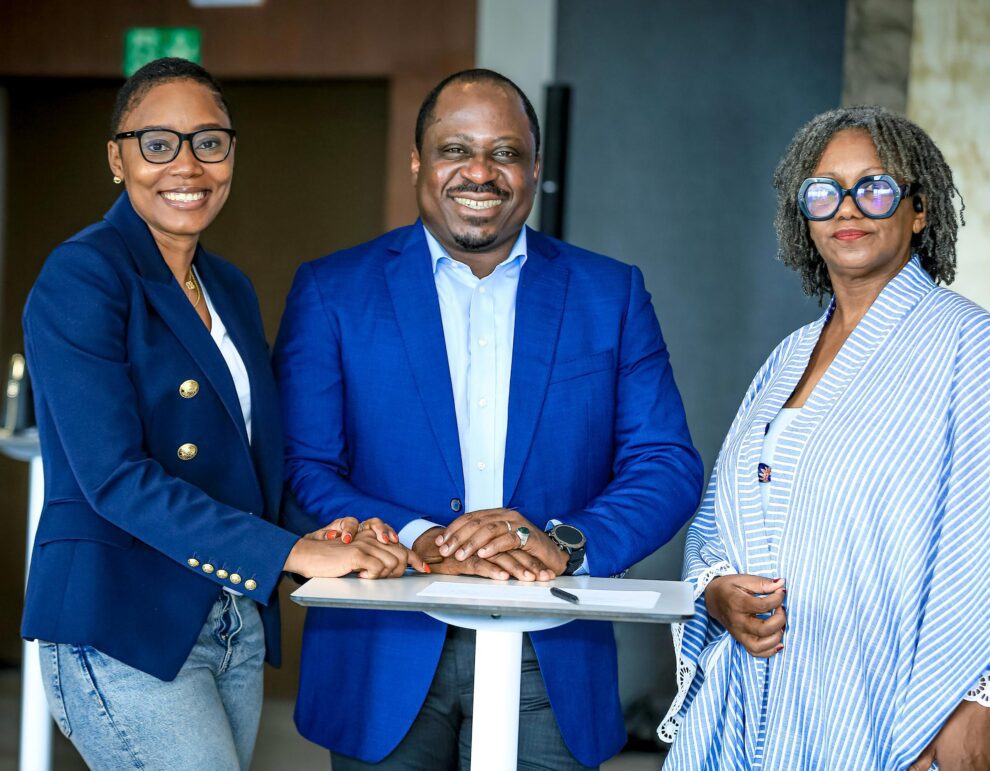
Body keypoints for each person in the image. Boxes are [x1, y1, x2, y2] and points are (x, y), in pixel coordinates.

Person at [273, 68, 704, 769]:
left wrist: (564, 541)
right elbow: (301, 467)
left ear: (534, 167)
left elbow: (665, 462)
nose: (480, 172)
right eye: (455, 150)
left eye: (505, 153)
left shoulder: (609, 293)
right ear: (418, 161)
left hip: (551, 642)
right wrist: (420, 537)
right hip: (381, 641)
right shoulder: (333, 291)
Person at [21, 58, 424, 770]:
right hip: (123, 617)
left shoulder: (228, 287)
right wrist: (292, 554)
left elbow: (245, 466)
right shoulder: (85, 273)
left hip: (230, 615)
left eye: (209, 142)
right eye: (157, 143)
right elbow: (114, 478)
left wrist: (326, 530)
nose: (188, 165)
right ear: (116, 158)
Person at [660, 105, 990, 770]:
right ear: (804, 216)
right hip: (760, 694)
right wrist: (718, 593)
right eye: (823, 191)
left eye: (874, 187)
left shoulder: (970, 346)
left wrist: (973, 710)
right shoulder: (787, 358)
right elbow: (721, 518)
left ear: (919, 210)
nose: (847, 207)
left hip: (899, 707)